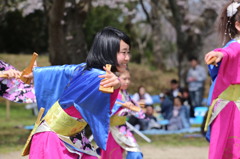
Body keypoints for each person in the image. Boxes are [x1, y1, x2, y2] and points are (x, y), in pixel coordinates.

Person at [23, 26, 131, 159]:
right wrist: (116, 86)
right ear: (108, 51)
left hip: (72, 139)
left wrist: (37, 74)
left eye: (128, 53)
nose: (127, 58)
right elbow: (103, 110)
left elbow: (63, 70)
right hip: (53, 141)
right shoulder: (98, 77)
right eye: (123, 52)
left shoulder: (85, 70)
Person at [204, 1, 240, 158]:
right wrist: (220, 54)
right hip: (228, 105)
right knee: (226, 149)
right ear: (238, 26)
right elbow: (229, 51)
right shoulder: (236, 44)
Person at [101, 70, 144, 159]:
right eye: (124, 79)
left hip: (123, 129)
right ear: (116, 79)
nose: (127, 81)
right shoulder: (111, 92)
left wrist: (137, 107)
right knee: (114, 156)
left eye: (129, 79)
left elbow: (133, 106)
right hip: (112, 131)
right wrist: (123, 105)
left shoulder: (125, 93)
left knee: (135, 153)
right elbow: (105, 107)